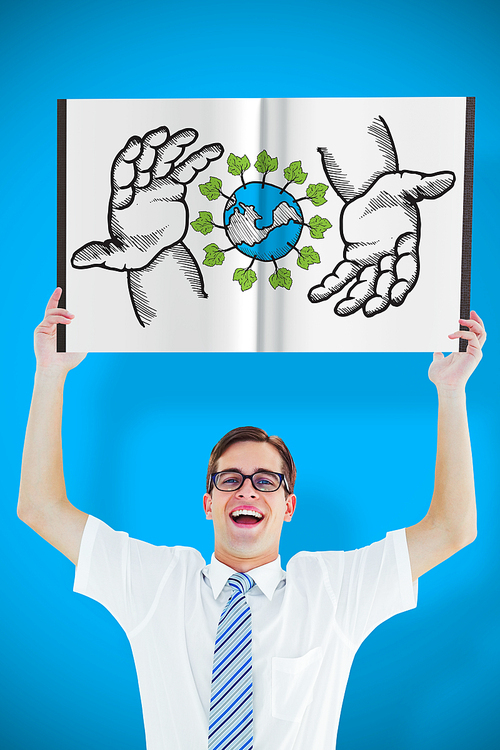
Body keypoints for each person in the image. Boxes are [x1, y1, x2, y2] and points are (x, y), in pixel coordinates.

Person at [18, 287, 486, 750]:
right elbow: (39, 508)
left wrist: (451, 390)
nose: (246, 489)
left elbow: (452, 529)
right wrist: (51, 371)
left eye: (266, 480)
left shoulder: (333, 590)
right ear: (208, 503)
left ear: (288, 506)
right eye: (230, 479)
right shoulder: (157, 584)